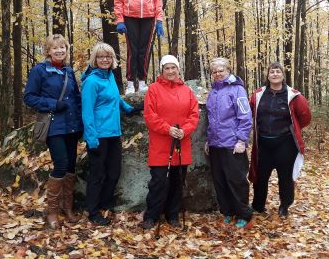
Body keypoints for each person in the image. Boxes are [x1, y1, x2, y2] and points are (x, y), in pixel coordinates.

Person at [23, 34, 83, 229]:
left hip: (72, 126)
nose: (59, 51)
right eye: (55, 48)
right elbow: (29, 97)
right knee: (61, 164)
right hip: (53, 125)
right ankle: (52, 211)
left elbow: (75, 98)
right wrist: (52, 104)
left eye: (62, 48)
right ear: (48, 50)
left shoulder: (68, 71)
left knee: (71, 166)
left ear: (66, 50)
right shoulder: (40, 71)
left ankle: (68, 207)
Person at [80, 42, 141, 226]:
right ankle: (93, 211)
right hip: (98, 135)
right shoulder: (91, 81)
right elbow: (87, 112)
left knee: (114, 172)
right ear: (95, 60)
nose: (105, 59)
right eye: (101, 57)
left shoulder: (110, 77)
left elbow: (116, 98)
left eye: (108, 56)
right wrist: (91, 139)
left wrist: (129, 109)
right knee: (97, 175)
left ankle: (105, 205)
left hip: (114, 133)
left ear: (112, 59)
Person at [141, 55, 199, 229]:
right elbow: (150, 116)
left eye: (173, 68)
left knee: (177, 182)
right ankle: (152, 215)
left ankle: (172, 214)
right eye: (167, 68)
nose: (171, 71)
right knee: (159, 182)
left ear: (178, 69)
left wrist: (184, 130)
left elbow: (194, 115)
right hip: (161, 144)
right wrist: (167, 129)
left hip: (182, 143)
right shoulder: (153, 89)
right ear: (161, 70)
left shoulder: (187, 91)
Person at [249, 62, 312, 218]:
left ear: (283, 75)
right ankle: (258, 206)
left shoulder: (294, 96)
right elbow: (250, 113)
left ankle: (284, 206)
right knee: (260, 177)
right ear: (268, 76)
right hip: (263, 143)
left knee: (285, 177)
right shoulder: (258, 95)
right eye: (272, 72)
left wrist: (294, 130)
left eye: (278, 72)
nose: (275, 74)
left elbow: (305, 117)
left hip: (285, 144)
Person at [205, 57, 254, 228]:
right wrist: (208, 139)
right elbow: (211, 119)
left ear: (228, 70)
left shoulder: (237, 90)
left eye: (221, 70)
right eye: (214, 72)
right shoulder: (213, 92)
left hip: (233, 144)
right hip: (215, 144)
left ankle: (243, 214)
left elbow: (245, 117)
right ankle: (227, 211)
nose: (218, 74)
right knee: (220, 180)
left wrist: (242, 139)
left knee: (237, 180)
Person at [114, 0, 164, 95]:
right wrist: (120, 20)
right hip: (130, 17)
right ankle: (130, 83)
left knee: (144, 50)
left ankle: (142, 82)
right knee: (132, 50)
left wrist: (159, 20)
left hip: (148, 17)